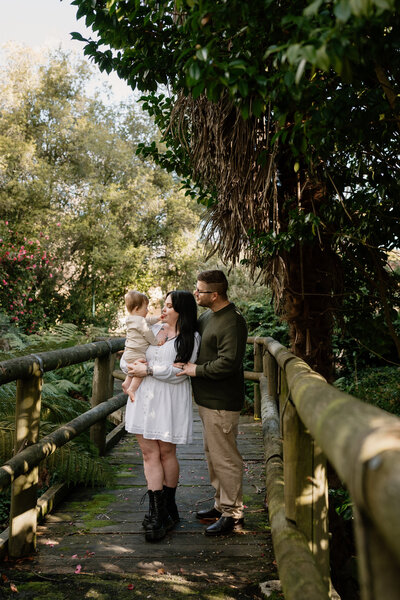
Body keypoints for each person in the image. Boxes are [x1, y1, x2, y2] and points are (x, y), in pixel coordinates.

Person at [175, 270, 248, 536]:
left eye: (200, 290)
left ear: (214, 294)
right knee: (212, 456)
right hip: (206, 400)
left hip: (222, 402)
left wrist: (197, 370)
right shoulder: (207, 317)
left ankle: (233, 514)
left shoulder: (233, 321)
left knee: (225, 458)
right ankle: (221, 505)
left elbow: (228, 362)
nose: (196, 294)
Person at [124, 290, 200, 542]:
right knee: (149, 454)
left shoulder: (190, 338)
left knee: (167, 453)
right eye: (163, 305)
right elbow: (129, 358)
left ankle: (169, 506)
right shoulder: (151, 331)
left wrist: (149, 369)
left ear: (182, 310)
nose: (163, 310)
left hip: (169, 401)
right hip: (143, 399)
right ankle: (156, 512)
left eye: (169, 306)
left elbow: (178, 373)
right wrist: (135, 367)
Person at [120, 290, 162, 402]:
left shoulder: (131, 319)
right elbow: (147, 333)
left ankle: (126, 382)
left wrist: (157, 319)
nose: (147, 311)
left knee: (134, 366)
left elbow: (147, 321)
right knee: (141, 367)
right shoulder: (140, 322)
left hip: (129, 352)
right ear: (137, 308)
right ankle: (132, 389)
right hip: (137, 353)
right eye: (146, 308)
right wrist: (156, 342)